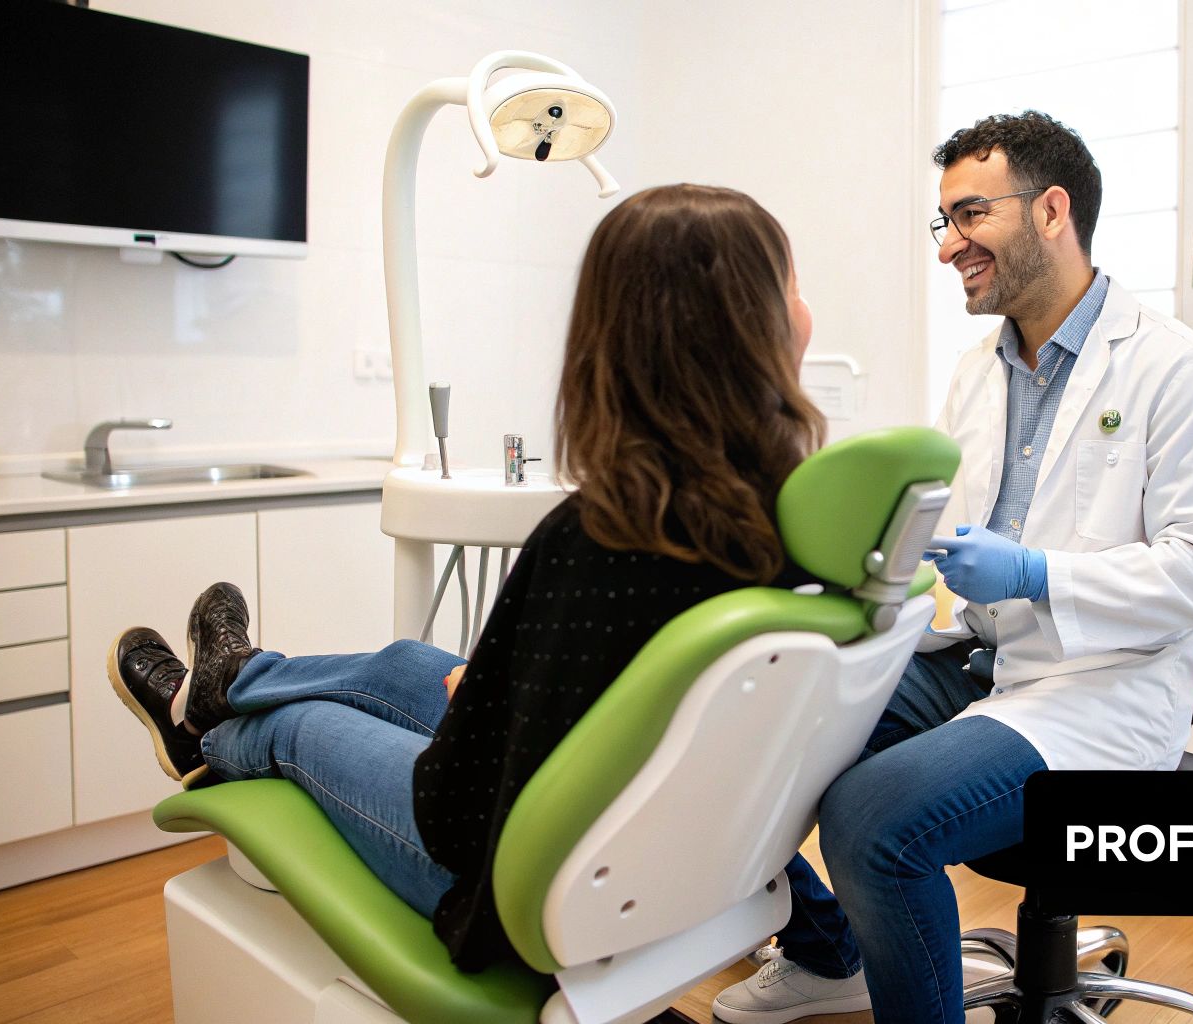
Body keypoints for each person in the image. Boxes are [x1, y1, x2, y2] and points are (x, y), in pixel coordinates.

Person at [108, 183, 825, 972]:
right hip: (668, 848)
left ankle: (201, 729)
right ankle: (236, 676)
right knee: (408, 664)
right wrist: (494, 703)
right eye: (792, 286)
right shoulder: (797, 520)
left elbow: (450, 815)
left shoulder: (602, 537)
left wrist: (476, 721)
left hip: (528, 891)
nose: (805, 308)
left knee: (299, 730)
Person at [712, 112, 1193, 1024]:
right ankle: (827, 951)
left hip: (1101, 690)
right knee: (751, 738)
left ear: (1051, 211)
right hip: (975, 658)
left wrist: (1039, 574)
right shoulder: (978, 371)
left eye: (969, 216)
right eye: (943, 222)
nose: (948, 247)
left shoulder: (1182, 372)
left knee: (872, 822)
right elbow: (955, 538)